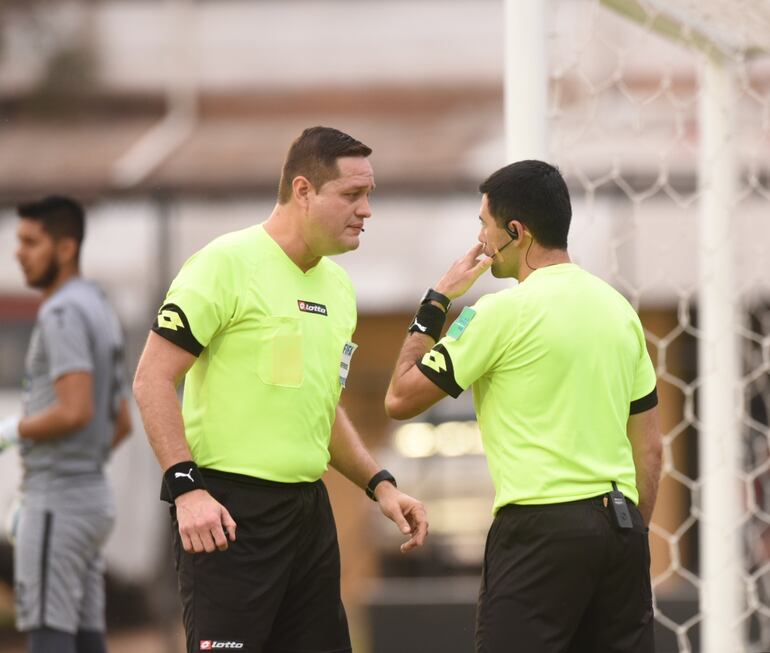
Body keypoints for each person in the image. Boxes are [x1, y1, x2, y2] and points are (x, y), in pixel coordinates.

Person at [132, 126, 428, 653]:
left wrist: (381, 485)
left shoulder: (338, 288)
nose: (367, 210)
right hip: (226, 514)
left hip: (308, 517)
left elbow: (321, 405)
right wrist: (187, 490)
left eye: (370, 195)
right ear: (303, 190)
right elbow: (151, 378)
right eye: (352, 194)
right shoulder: (224, 264)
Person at [385, 160, 662, 653]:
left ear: (516, 231)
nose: (480, 239)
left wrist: (437, 300)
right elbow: (651, 452)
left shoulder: (494, 313)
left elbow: (400, 397)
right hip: (621, 531)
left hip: (540, 530)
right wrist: (632, 533)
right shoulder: (620, 311)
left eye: (483, 225)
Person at [0, 195, 132, 653]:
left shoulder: (61, 312)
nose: (19, 252)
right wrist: (79, 464)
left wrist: (15, 429)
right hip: (92, 499)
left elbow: (76, 410)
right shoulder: (99, 306)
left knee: (49, 633)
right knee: (84, 633)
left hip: (56, 501)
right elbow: (121, 423)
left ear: (65, 247)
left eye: (31, 242)